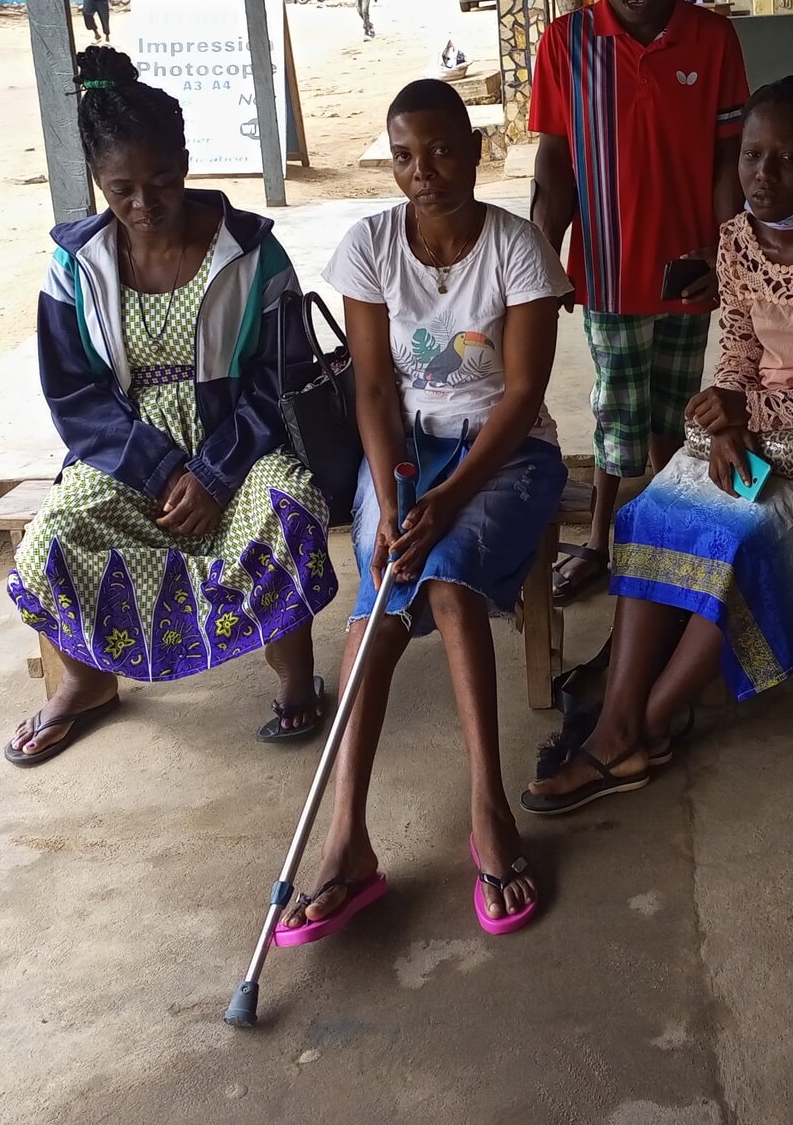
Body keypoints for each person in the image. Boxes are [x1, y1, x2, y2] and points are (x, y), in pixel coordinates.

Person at [523, 77, 793, 814]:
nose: (764, 177)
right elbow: (736, 353)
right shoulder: (735, 241)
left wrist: (751, 407)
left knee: (745, 536)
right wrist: (731, 422)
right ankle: (621, 721)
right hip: (756, 425)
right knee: (652, 515)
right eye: (753, 156)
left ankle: (642, 725)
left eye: (789, 160)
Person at [273, 79, 570, 942]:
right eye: (404, 155)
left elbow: (522, 394)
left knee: (441, 583)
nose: (424, 171)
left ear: (475, 152)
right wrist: (395, 491)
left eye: (442, 151)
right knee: (377, 609)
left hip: (506, 452)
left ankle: (487, 811)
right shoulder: (369, 245)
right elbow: (371, 387)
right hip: (401, 456)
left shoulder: (517, 248)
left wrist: (444, 499)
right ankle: (346, 841)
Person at [4, 45, 338, 766]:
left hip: (239, 446)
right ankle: (88, 682)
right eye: (121, 189)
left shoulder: (251, 254)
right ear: (97, 180)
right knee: (55, 539)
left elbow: (281, 378)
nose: (144, 205)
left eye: (161, 181)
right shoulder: (75, 267)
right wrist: (158, 470)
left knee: (289, 511)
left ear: (187, 161)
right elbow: (73, 393)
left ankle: (292, 673)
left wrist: (216, 473)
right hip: (126, 455)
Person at [531, 0, 750, 604]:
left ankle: (660, 531)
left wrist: (726, 257)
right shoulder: (565, 44)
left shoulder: (713, 41)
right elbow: (555, 162)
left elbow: (727, 163)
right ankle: (600, 540)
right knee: (616, 415)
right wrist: (542, 253)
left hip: (690, 270)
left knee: (677, 408)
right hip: (610, 273)